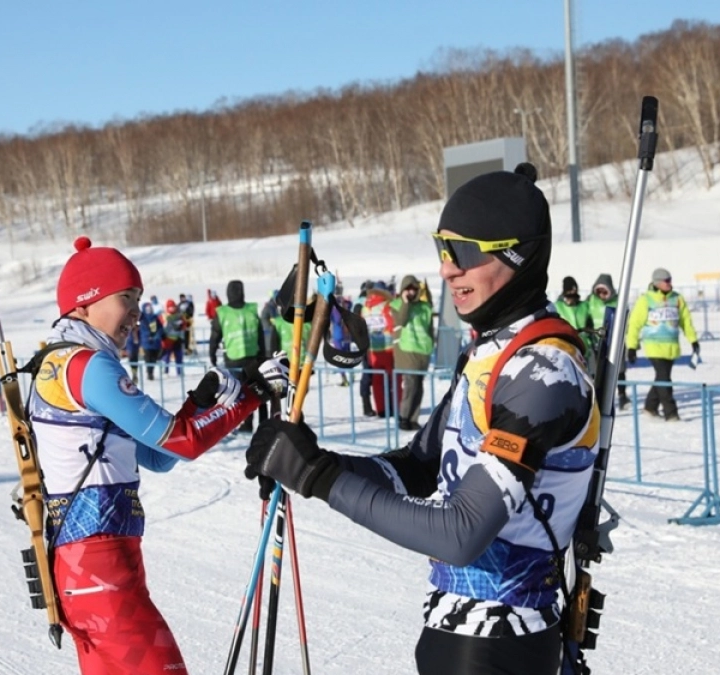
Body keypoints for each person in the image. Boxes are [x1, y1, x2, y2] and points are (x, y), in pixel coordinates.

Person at [245, 164, 599, 675]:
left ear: (517, 254)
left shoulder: (544, 372)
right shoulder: (493, 352)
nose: (448, 269)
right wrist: (310, 458)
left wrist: (319, 479)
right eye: (443, 249)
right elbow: (416, 467)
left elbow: (462, 534)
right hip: (456, 631)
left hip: (503, 641)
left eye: (467, 253)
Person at [30, 236, 288, 674]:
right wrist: (252, 395)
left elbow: (158, 456)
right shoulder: (87, 366)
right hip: (99, 567)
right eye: (125, 299)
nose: (135, 313)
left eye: (138, 299)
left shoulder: (68, 362)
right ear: (84, 304)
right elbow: (181, 443)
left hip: (98, 562)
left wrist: (201, 400)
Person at [625, 268, 699, 421]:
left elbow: (686, 321)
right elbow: (634, 324)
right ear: (657, 283)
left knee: (662, 378)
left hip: (671, 347)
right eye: (667, 281)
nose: (670, 283)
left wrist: (693, 340)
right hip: (654, 346)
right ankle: (671, 413)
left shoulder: (677, 299)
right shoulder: (646, 300)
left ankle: (650, 407)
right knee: (664, 379)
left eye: (670, 279)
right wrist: (631, 346)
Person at [208, 279, 267, 433]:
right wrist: (263, 354)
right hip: (253, 357)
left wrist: (212, 354)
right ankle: (264, 425)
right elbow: (260, 334)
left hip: (234, 359)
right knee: (259, 390)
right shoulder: (251, 310)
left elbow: (215, 335)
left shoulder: (223, 313)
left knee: (240, 394)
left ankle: (246, 425)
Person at [391, 274, 434, 431]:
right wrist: (405, 303)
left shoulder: (425, 306)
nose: (411, 292)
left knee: (419, 386)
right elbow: (401, 321)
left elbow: (429, 328)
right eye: (407, 289)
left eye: (413, 289)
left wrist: (431, 344)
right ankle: (404, 418)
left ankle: (413, 418)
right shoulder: (397, 304)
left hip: (423, 352)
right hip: (407, 352)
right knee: (410, 386)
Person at [587, 274, 630, 410]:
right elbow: (585, 317)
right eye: (598, 291)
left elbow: (627, 321)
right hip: (597, 341)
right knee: (596, 370)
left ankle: (622, 395)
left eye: (604, 291)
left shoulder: (618, 301)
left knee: (618, 370)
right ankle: (596, 397)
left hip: (615, 340)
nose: (601, 295)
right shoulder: (590, 301)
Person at [361, 280, 396, 417]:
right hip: (387, 348)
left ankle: (381, 409)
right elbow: (391, 325)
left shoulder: (365, 308)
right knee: (390, 380)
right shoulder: (386, 306)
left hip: (372, 349)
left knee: (377, 381)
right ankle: (391, 407)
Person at [136, 302, 165, 381]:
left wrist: (158, 335)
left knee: (154, 359)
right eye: (147, 309)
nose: (149, 310)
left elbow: (160, 328)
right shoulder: (142, 317)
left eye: (150, 308)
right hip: (146, 342)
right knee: (148, 358)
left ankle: (150, 370)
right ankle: (150, 373)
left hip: (156, 342)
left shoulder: (155, 317)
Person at [160, 299, 186, 375]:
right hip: (167, 340)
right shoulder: (164, 316)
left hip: (178, 339)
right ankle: (165, 371)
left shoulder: (179, 315)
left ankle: (179, 371)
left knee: (179, 356)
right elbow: (160, 326)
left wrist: (181, 327)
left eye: (173, 307)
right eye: (170, 307)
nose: (172, 309)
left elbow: (184, 324)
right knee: (166, 357)